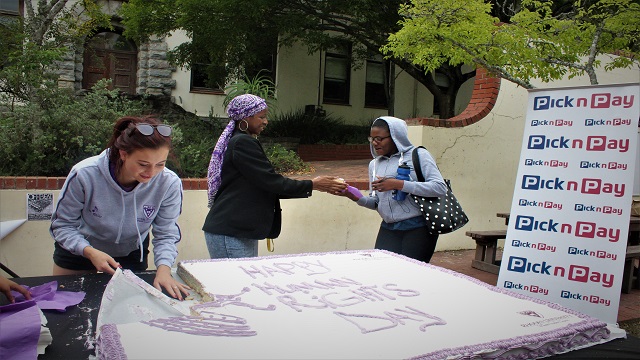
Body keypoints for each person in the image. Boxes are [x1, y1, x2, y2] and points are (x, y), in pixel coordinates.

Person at [50, 116, 190, 300]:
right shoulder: (85, 174)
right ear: (123, 154)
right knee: (67, 309)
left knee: (129, 311)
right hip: (79, 250)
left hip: (130, 252)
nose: (151, 173)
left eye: (160, 164)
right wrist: (88, 251)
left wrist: (164, 269)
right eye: (143, 164)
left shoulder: (169, 183)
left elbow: (166, 233)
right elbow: (62, 225)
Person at [203, 94, 347, 258]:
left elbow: (265, 184)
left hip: (238, 231)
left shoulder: (239, 141)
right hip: (231, 232)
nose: (266, 121)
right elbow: (271, 181)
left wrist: (313, 185)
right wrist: (314, 184)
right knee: (236, 282)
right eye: (261, 117)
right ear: (245, 118)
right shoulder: (242, 142)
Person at [340, 116, 448, 262]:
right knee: (382, 271)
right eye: (372, 139)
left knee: (411, 275)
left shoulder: (419, 155)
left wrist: (398, 184)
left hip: (418, 228)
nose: (375, 143)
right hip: (388, 228)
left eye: (379, 138)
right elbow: (376, 202)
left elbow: (440, 188)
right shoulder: (374, 164)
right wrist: (355, 197)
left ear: (396, 137)